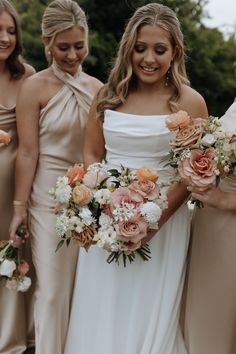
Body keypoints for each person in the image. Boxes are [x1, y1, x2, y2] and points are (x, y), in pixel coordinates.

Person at [64, 3, 208, 354]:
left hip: (164, 223)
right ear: (129, 48)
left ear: (175, 51)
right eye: (141, 48)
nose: (149, 59)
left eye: (160, 50)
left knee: (150, 305)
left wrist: (153, 222)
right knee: (103, 301)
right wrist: (102, 203)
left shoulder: (190, 102)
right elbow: (93, 154)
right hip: (109, 220)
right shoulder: (107, 96)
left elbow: (191, 173)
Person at [9, 0, 102, 353]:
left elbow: (99, 151)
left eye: (79, 46)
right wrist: (19, 207)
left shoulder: (98, 89)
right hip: (46, 201)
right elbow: (28, 152)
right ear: (47, 42)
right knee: (51, 292)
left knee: (83, 291)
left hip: (89, 202)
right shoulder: (33, 88)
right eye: (63, 47)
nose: (72, 54)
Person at [183, 98, 236, 354]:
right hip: (209, 225)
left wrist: (226, 199)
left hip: (230, 227)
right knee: (206, 315)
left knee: (220, 318)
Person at [0, 1, 35, 353]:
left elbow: (32, 140)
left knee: (11, 251)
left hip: (14, 180)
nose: (5, 38)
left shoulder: (26, 76)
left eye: (11, 31)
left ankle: (11, 340)